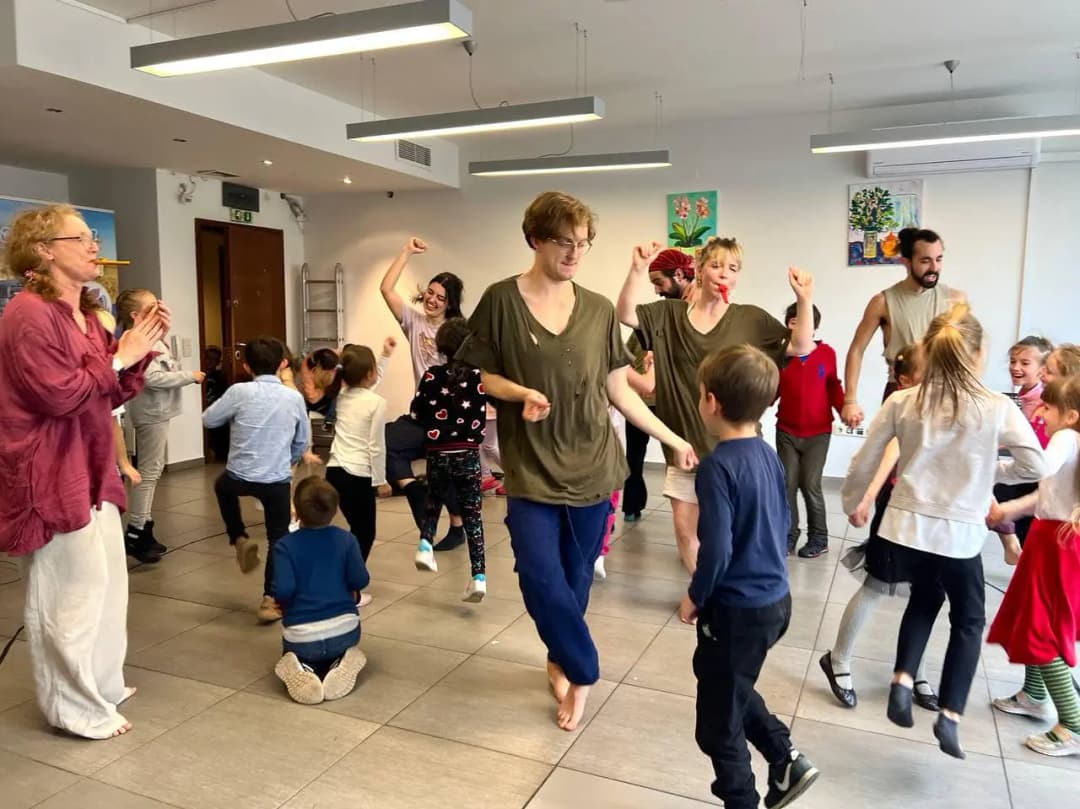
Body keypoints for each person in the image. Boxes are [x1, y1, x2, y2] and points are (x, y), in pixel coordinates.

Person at [459, 191, 697, 733]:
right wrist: (520, 393)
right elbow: (484, 376)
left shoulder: (594, 309)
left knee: (574, 580)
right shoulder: (501, 299)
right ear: (536, 239)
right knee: (540, 578)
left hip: (595, 467)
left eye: (583, 243)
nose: (574, 253)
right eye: (564, 241)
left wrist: (672, 437)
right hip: (531, 470)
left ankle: (560, 660)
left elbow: (619, 389)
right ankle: (586, 667)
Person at [841, 305, 1047, 759]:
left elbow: (867, 459)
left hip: (904, 529)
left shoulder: (903, 400)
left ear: (929, 355)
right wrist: (987, 469)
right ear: (977, 356)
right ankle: (950, 715)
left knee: (923, 599)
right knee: (969, 621)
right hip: (959, 536)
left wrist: (854, 502)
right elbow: (1035, 464)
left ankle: (901, 679)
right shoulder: (997, 407)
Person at [0, 203, 167, 739]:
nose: (95, 245)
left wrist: (136, 351)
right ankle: (71, 707)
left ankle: (100, 684)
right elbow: (58, 395)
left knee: (106, 587)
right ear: (44, 250)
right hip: (49, 472)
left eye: (93, 236)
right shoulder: (27, 314)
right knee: (65, 598)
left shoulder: (86, 312)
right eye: (83, 237)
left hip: (91, 466)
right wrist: (120, 357)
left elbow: (105, 393)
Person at [617, 236, 817, 575]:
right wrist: (637, 270)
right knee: (685, 530)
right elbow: (625, 314)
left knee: (729, 532)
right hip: (685, 446)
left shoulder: (750, 319)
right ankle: (703, 593)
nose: (725, 273)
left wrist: (804, 298)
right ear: (698, 269)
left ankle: (726, 588)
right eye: (716, 265)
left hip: (736, 450)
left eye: (733, 268)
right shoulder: (668, 314)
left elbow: (801, 347)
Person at [679, 344, 819, 809]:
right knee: (725, 680)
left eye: (700, 394)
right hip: (775, 602)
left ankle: (743, 800)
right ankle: (785, 758)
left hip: (737, 609)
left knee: (718, 726)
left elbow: (716, 550)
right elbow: (780, 524)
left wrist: (696, 595)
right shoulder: (767, 454)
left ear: (712, 402)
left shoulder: (717, 467)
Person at [820, 344, 939, 712]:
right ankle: (838, 659)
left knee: (929, 594)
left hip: (934, 512)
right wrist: (866, 499)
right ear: (905, 379)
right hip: (899, 509)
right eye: (928, 373)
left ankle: (914, 668)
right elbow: (887, 454)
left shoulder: (944, 402)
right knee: (876, 585)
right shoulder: (904, 404)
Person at [986, 375, 1080, 757]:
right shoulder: (1070, 438)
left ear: (1070, 413)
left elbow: (1037, 465)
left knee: (1042, 631)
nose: (1040, 411)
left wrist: (1004, 445)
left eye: (1048, 406)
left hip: (1057, 545)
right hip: (1048, 538)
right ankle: (1034, 694)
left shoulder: (1066, 437)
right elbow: (1045, 490)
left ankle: (1073, 724)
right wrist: (1005, 507)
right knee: (1029, 618)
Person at [203, 337, 310, 623]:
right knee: (278, 537)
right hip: (276, 480)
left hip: (239, 474)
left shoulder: (239, 391)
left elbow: (209, 420)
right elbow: (303, 440)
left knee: (221, 487)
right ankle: (270, 600)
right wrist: (288, 461)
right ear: (284, 364)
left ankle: (238, 537)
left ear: (246, 365)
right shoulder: (293, 397)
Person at [379, 237, 467, 546]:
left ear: (450, 303)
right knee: (386, 441)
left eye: (440, 297)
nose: (432, 300)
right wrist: (405, 252)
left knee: (445, 469)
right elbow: (387, 289)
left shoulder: (458, 331)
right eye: (429, 293)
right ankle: (413, 489)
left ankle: (457, 527)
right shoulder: (414, 322)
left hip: (448, 417)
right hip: (422, 413)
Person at [841, 228, 966, 428]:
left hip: (944, 395)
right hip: (901, 393)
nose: (934, 267)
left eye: (939, 259)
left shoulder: (956, 300)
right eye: (925, 261)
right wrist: (850, 400)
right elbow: (856, 349)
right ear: (907, 262)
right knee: (895, 458)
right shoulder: (883, 302)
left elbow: (966, 352)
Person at [116, 288, 206, 564]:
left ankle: (145, 527)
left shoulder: (154, 340)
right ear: (136, 315)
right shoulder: (140, 343)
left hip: (159, 411)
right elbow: (152, 378)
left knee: (150, 471)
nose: (161, 308)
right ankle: (137, 530)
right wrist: (189, 376)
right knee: (149, 472)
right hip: (151, 413)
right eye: (153, 306)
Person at [272, 477, 370, 705]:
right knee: (337, 644)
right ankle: (340, 660)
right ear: (335, 510)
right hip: (345, 631)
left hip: (301, 637)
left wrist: (279, 601)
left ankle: (303, 665)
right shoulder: (346, 540)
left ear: (296, 511)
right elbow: (361, 579)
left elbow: (284, 590)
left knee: (299, 648)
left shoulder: (285, 546)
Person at [410, 317, 488, 602]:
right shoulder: (477, 376)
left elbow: (417, 412)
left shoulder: (431, 375)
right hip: (467, 452)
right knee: (473, 516)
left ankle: (425, 545)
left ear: (441, 346)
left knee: (434, 501)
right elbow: (481, 416)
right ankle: (478, 577)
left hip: (438, 451)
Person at [622, 248, 693, 523]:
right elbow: (627, 356)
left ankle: (691, 520)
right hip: (642, 405)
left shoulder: (693, 316)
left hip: (672, 405)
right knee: (635, 459)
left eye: (658, 283)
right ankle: (632, 506)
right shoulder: (650, 321)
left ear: (678, 275)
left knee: (679, 461)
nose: (656, 291)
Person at [775, 302, 845, 558]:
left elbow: (834, 386)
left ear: (813, 328)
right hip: (786, 430)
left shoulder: (827, 353)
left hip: (818, 433)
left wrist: (845, 408)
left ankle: (819, 537)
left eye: (803, 323)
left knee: (810, 483)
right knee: (786, 483)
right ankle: (788, 534)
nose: (798, 327)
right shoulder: (781, 356)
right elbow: (770, 387)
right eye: (792, 322)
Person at [324, 344, 390, 580]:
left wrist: (384, 357)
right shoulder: (376, 402)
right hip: (357, 475)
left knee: (355, 528)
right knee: (365, 533)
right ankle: (349, 585)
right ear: (369, 373)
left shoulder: (340, 396)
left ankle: (340, 572)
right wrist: (381, 480)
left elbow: (368, 384)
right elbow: (376, 446)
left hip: (334, 472)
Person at [993, 336, 1053, 564]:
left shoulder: (1042, 399)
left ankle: (1014, 546)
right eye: (1013, 361)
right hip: (1032, 470)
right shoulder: (1026, 396)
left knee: (995, 491)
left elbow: (1032, 440)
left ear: (1042, 370)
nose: (1016, 367)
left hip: (1040, 474)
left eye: (1025, 363)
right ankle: (1013, 545)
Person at [203, 345, 230, 463]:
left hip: (215, 407)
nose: (209, 362)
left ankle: (220, 454)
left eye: (213, 360)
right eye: (207, 358)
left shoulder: (220, 377)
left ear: (218, 362)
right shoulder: (200, 374)